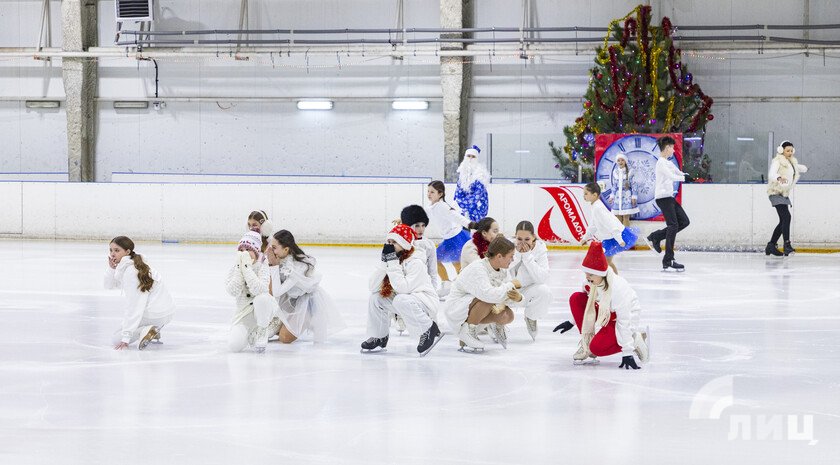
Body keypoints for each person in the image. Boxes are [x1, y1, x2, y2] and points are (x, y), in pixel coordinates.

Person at [362, 224, 444, 356]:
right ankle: (379, 336)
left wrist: (392, 263)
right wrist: (384, 265)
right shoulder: (393, 259)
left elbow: (403, 288)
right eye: (389, 242)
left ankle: (428, 328)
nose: (390, 245)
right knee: (376, 298)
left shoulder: (416, 262)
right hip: (405, 301)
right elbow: (372, 287)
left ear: (405, 243)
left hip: (424, 302)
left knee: (400, 299)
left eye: (394, 242)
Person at [568, 242, 648, 368]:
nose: (587, 278)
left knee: (597, 348)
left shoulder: (617, 289)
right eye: (586, 273)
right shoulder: (590, 282)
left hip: (624, 317)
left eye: (590, 274)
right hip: (607, 314)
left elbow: (624, 319)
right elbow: (586, 305)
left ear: (600, 273)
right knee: (576, 298)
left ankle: (635, 338)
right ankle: (586, 345)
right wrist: (571, 322)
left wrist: (627, 351)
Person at [265, 230, 345, 343]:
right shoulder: (281, 258)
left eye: (274, 247)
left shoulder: (297, 267)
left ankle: (307, 320)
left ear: (286, 249)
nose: (270, 251)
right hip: (291, 300)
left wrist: (274, 266)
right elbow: (272, 291)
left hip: (306, 304)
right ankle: (281, 322)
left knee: (284, 339)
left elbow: (278, 292)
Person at [444, 237, 522, 351]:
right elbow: (488, 295)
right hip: (456, 308)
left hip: (475, 304)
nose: (512, 259)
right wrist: (510, 285)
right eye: (511, 256)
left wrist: (518, 298)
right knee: (489, 299)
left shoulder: (503, 270)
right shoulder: (478, 268)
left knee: (508, 315)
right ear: (499, 256)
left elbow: (505, 294)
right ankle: (467, 332)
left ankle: (495, 325)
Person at [105, 236, 176, 350]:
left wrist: (126, 337)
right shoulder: (136, 265)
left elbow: (134, 305)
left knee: (116, 338)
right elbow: (109, 286)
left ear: (127, 252)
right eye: (111, 250)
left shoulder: (131, 272)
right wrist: (111, 269)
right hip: (165, 312)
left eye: (117, 250)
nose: (112, 254)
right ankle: (153, 328)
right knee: (123, 329)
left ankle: (146, 330)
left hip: (154, 314)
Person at [225, 229, 275, 353]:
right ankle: (249, 333)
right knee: (234, 346)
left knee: (262, 298)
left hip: (261, 310)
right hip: (244, 314)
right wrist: (239, 270)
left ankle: (262, 330)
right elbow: (232, 291)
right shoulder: (235, 268)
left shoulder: (262, 267)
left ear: (256, 251)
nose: (244, 254)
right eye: (241, 251)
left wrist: (247, 269)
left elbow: (260, 290)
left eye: (248, 250)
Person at [645, 135, 690, 272]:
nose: (674, 151)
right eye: (672, 148)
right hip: (663, 198)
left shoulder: (668, 163)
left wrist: (688, 176)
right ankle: (668, 259)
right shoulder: (661, 163)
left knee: (684, 222)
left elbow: (678, 172)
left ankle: (656, 236)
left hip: (668, 198)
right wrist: (684, 178)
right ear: (667, 148)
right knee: (673, 225)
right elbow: (672, 177)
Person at [580, 182, 640, 274]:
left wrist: (619, 240)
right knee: (607, 262)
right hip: (610, 237)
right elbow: (593, 225)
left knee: (607, 262)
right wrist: (586, 238)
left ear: (594, 195)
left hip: (614, 236)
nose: (584, 196)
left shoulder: (598, 208)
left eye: (586, 194)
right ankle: (615, 281)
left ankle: (615, 281)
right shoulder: (595, 206)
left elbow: (610, 223)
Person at [426, 181, 478, 283]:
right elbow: (422, 215)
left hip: (457, 238)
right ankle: (446, 283)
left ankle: (464, 284)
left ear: (440, 194)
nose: (429, 194)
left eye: (432, 192)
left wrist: (470, 224)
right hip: (448, 239)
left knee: (457, 264)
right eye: (428, 191)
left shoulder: (443, 206)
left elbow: (456, 216)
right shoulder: (430, 206)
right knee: (435, 260)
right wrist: (407, 219)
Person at [509, 221, 552, 341]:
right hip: (508, 289)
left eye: (527, 239)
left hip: (527, 291)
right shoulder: (508, 245)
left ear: (533, 237)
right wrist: (517, 255)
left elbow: (542, 278)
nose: (523, 243)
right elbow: (501, 269)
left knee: (544, 291)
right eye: (519, 239)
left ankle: (531, 316)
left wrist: (527, 257)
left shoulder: (540, 249)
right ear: (515, 236)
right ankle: (495, 322)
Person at [765, 140, 808, 256]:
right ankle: (787, 245)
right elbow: (771, 174)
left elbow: (796, 167)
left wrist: (805, 168)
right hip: (775, 192)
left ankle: (771, 245)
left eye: (791, 150)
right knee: (787, 217)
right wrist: (779, 178)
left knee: (783, 220)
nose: (790, 152)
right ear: (781, 150)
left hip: (783, 194)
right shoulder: (778, 161)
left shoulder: (791, 162)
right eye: (787, 150)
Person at [454, 145, 490, 223]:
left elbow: (477, 195)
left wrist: (462, 204)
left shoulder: (480, 174)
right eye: (468, 156)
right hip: (465, 206)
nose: (470, 158)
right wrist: (456, 203)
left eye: (473, 156)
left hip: (477, 207)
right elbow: (458, 192)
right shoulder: (462, 173)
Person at [609, 154, 638, 226]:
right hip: (617, 198)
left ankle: (626, 235)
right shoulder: (615, 172)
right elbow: (614, 185)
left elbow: (634, 185)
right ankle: (620, 234)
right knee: (618, 217)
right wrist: (612, 196)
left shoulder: (630, 171)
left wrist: (633, 197)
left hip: (626, 197)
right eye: (618, 160)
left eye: (622, 160)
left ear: (625, 161)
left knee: (626, 217)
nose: (620, 162)